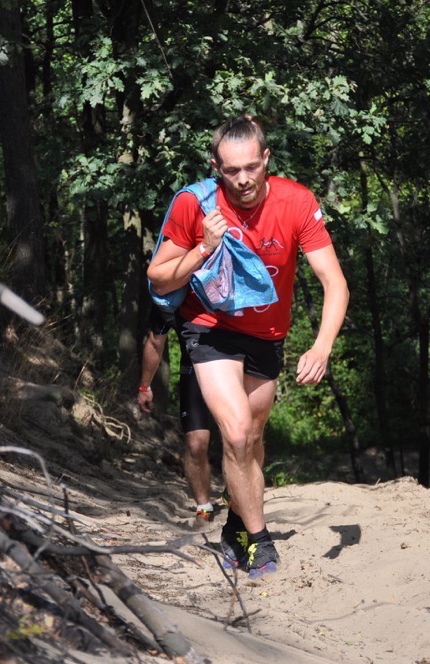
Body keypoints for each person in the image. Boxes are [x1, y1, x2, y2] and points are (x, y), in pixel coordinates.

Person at [147, 114, 349, 579]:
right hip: (208, 326)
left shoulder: (297, 202)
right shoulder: (195, 204)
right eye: (231, 170)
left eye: (251, 167)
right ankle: (261, 542)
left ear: (266, 159)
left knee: (252, 441)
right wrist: (203, 247)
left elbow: (334, 283)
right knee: (236, 433)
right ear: (216, 167)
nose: (242, 179)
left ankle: (236, 526)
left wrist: (321, 347)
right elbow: (158, 277)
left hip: (267, 334)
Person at [137, 307, 215, 521]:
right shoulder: (170, 299)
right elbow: (155, 342)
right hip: (193, 372)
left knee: (238, 437)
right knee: (196, 444)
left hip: (233, 370)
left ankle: (236, 492)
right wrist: (145, 386)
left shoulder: (229, 291)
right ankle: (204, 507)